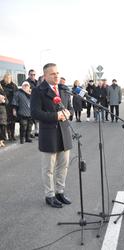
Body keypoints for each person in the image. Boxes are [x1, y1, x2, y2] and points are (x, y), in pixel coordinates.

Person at [31, 63, 73, 208]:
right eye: (53, 74)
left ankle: (60, 192)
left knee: (63, 166)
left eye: (57, 73)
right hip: (49, 134)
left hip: (64, 133)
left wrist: (69, 113)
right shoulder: (38, 91)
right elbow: (35, 114)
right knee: (49, 169)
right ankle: (50, 195)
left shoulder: (63, 89)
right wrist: (56, 116)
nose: (56, 76)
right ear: (45, 75)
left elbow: (70, 108)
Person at [0, 73, 18, 141]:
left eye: (9, 78)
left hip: (11, 105)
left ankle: (12, 135)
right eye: (6, 78)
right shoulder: (1, 84)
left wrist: (15, 107)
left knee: (12, 121)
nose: (8, 79)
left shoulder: (13, 86)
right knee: (4, 121)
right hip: (3, 106)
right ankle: (6, 135)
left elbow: (16, 96)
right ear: (4, 78)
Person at [26, 70, 39, 137]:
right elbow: (25, 90)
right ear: (28, 74)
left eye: (34, 74)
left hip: (37, 101)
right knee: (30, 118)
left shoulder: (37, 82)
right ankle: (30, 132)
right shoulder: (26, 82)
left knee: (37, 117)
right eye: (31, 74)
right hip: (29, 101)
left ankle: (37, 131)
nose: (33, 76)